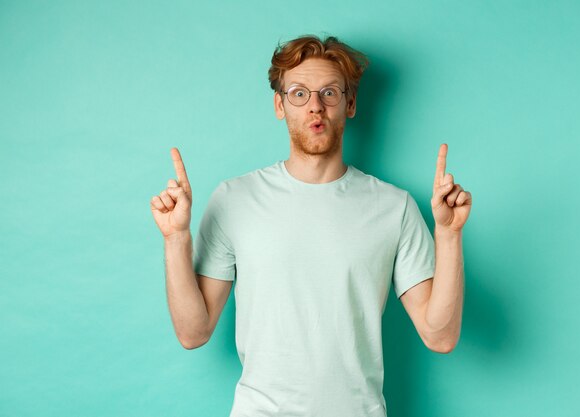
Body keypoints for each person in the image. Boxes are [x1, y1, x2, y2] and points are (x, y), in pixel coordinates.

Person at [150, 34, 472, 417]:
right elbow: (193, 332)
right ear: (280, 104)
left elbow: (441, 336)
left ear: (349, 104)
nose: (315, 107)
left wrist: (449, 236)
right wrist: (175, 238)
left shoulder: (394, 206)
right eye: (299, 94)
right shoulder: (234, 199)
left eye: (329, 93)